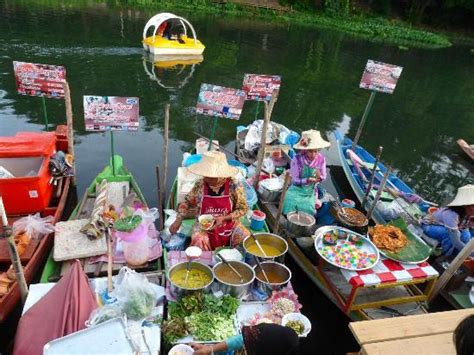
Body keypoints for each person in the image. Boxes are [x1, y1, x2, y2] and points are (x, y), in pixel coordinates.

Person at [169, 151, 250, 251]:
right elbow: (186, 203)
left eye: (210, 177)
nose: (206, 178)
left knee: (246, 238)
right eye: (205, 175)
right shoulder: (200, 184)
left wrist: (224, 218)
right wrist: (178, 220)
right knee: (198, 240)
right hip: (203, 225)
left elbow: (243, 208)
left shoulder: (234, 185)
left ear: (222, 175)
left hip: (229, 223)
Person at [282, 129, 330, 216]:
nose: (314, 154)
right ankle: (288, 216)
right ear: (305, 150)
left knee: (308, 207)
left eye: (316, 151)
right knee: (288, 200)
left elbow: (324, 176)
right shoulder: (297, 159)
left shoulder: (321, 159)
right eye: (311, 151)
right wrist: (306, 180)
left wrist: (319, 178)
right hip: (297, 187)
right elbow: (294, 180)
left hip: (310, 190)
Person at [421, 184, 474, 256]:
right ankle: (442, 256)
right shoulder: (452, 215)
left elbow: (465, 229)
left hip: (444, 227)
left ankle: (456, 256)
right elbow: (456, 241)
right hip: (429, 226)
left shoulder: (466, 214)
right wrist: (471, 253)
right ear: (465, 205)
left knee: (466, 235)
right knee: (450, 236)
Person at [191, 323, 299, 355]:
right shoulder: (256, 339)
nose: (244, 345)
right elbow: (239, 340)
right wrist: (210, 349)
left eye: (247, 348)